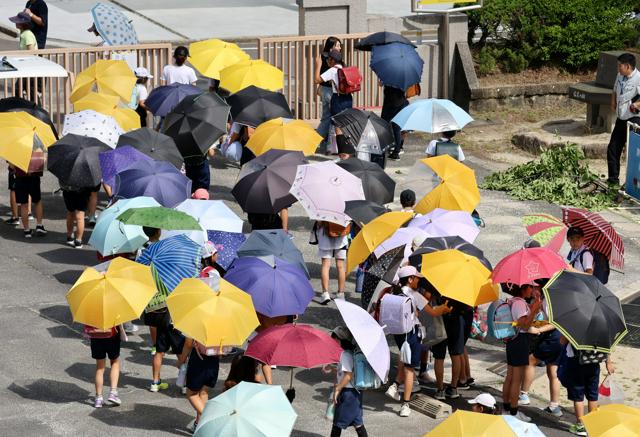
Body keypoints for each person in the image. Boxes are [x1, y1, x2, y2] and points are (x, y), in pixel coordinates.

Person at [385, 266, 450, 417]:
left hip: (400, 333)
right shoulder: (415, 295)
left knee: (404, 358)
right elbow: (434, 312)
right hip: (413, 334)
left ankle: (394, 386)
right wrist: (445, 308)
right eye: (417, 278)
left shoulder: (394, 291)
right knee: (409, 368)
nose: (419, 281)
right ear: (410, 279)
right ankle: (405, 404)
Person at [519, 282, 563, 417]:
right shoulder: (547, 298)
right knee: (552, 370)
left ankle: (524, 395)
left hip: (553, 337)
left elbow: (555, 322)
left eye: (534, 286)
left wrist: (538, 330)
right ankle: (555, 406)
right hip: (559, 338)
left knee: (531, 361)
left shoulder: (548, 300)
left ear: (541, 287)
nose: (532, 289)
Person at [558, 336, 615, 436]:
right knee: (592, 395)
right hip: (594, 363)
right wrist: (608, 362)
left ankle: (580, 426)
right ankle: (591, 424)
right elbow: (606, 345)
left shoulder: (575, 325)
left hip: (576, 363)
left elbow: (562, 341)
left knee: (578, 396)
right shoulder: (601, 327)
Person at [501, 283, 542, 423]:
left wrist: (534, 306)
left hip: (514, 340)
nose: (533, 289)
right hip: (520, 340)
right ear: (523, 288)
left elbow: (524, 317)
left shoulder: (515, 301)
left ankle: (506, 408)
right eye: (531, 287)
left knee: (510, 376)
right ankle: (513, 411)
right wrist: (535, 308)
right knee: (516, 379)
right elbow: (524, 324)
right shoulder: (519, 303)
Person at [607, 52, 640, 187]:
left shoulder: (638, 78)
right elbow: (614, 90)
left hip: (634, 119)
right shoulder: (620, 75)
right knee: (613, 148)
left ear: (627, 66)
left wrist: (636, 104)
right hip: (621, 117)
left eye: (619, 66)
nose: (618, 68)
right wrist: (613, 102)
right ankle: (613, 180)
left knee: (633, 152)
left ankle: (632, 182)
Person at [329, 327, 369, 437]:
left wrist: (337, 389)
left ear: (341, 340)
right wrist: (333, 369)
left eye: (335, 339)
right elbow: (346, 371)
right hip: (355, 393)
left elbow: (348, 375)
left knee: (337, 422)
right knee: (358, 422)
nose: (333, 341)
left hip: (347, 393)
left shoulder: (345, 355)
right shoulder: (351, 353)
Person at [179, 338, 220, 432]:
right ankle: (199, 424)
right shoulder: (222, 327)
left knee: (192, 394)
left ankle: (209, 420)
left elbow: (188, 343)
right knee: (203, 393)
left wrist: (181, 360)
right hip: (214, 362)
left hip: (199, 363)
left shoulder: (200, 325)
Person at [84, 324, 123, 408]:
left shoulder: (90, 310)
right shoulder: (112, 310)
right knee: (115, 363)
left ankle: (98, 398)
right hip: (112, 336)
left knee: (100, 368)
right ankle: (113, 393)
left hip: (95, 337)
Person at [316, 37, 342, 152]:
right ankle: (322, 143)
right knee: (330, 119)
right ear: (331, 47)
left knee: (326, 118)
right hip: (330, 92)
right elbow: (321, 77)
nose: (339, 48)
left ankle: (321, 143)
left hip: (324, 90)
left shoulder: (322, 56)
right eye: (337, 45)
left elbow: (322, 75)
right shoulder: (332, 59)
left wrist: (319, 88)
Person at [315, 221, 350, 304]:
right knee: (341, 266)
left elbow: (319, 223)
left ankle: (325, 293)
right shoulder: (345, 208)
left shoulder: (323, 208)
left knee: (325, 265)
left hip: (325, 236)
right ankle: (341, 294)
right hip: (341, 235)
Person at [12, 160, 46, 238]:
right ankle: (39, 225)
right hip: (34, 176)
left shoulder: (16, 149)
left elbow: (11, 166)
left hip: (20, 178)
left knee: (24, 204)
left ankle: (27, 230)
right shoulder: (35, 147)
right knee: (37, 201)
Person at [315, 50, 352, 117]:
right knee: (346, 122)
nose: (327, 61)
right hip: (348, 98)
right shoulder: (345, 68)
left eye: (328, 59)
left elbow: (317, 80)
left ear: (332, 60)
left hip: (338, 99)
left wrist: (318, 65)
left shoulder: (332, 70)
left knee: (337, 123)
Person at [381, 86, 408, 160]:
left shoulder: (390, 79)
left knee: (383, 125)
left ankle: (385, 148)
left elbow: (387, 92)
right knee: (397, 128)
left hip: (391, 102)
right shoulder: (403, 78)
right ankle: (397, 151)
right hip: (401, 101)